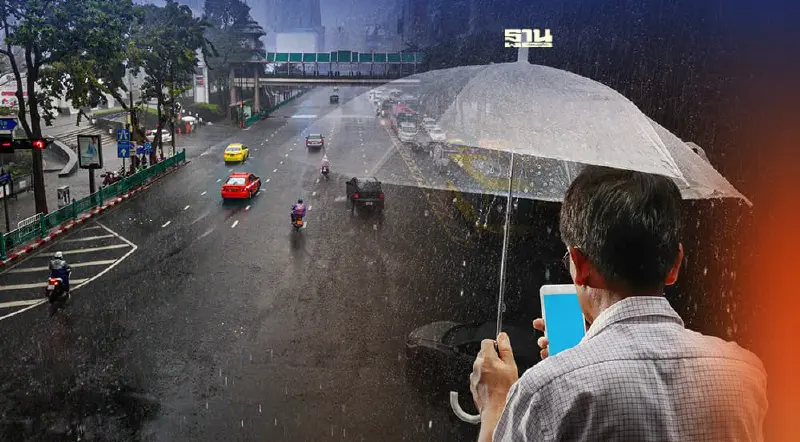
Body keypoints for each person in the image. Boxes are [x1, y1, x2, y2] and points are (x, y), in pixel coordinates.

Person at [470, 166, 768, 442]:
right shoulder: (744, 374)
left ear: (579, 264)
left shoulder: (545, 391)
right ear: (675, 264)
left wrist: (496, 407)